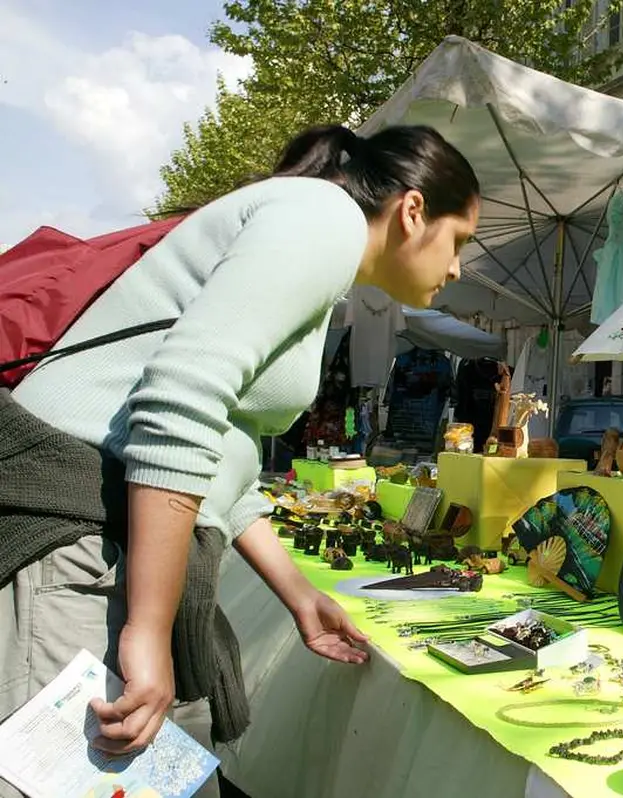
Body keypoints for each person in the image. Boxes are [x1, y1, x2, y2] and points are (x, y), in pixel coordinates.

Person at [0, 124, 480, 797]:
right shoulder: (323, 220)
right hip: (81, 548)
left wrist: (300, 596)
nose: (457, 268)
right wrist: (148, 632)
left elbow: (224, 457)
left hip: (115, 546)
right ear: (413, 212)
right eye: (459, 241)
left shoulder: (317, 245)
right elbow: (178, 405)